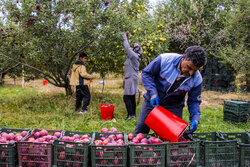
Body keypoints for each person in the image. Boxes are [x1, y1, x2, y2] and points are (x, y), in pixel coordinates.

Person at [134, 46, 207, 134]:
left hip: (173, 106)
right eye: (189, 67)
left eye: (195, 70)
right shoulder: (165, 60)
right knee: (141, 131)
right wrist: (153, 92)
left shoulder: (197, 79)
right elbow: (147, 73)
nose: (191, 73)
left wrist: (195, 118)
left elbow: (194, 101)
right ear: (183, 58)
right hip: (153, 101)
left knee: (172, 135)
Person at [122, 32, 143, 120]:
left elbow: (127, 47)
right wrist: (128, 37)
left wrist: (124, 36)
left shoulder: (133, 56)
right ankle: (132, 115)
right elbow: (129, 48)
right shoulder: (134, 56)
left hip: (131, 78)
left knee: (126, 97)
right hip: (132, 77)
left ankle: (131, 115)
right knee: (131, 97)